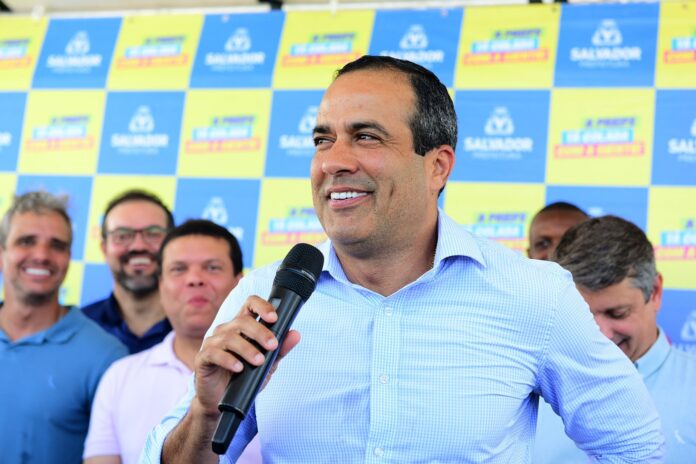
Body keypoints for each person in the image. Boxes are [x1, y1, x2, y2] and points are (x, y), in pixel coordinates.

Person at [142, 55, 664, 463]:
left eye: (366, 137)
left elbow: (635, 448)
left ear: (437, 166)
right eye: (323, 139)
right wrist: (205, 412)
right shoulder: (263, 297)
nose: (333, 162)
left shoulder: (534, 293)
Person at [84, 219, 258, 464]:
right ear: (161, 286)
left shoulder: (274, 370)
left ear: (240, 283)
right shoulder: (119, 377)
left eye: (212, 268)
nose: (195, 279)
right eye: (178, 269)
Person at [534, 215, 696, 463]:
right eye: (581, 315)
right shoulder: (524, 388)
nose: (600, 334)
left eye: (617, 313)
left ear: (655, 293)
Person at [0, 191, 128, 464]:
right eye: (26, 241)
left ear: (69, 257)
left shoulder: (106, 357)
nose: (41, 255)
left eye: (57, 245)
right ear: (2, 253)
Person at [83, 189, 174, 353]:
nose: (138, 246)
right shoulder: (80, 327)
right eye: (122, 236)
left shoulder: (203, 330)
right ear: (104, 248)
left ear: (172, 246)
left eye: (153, 234)